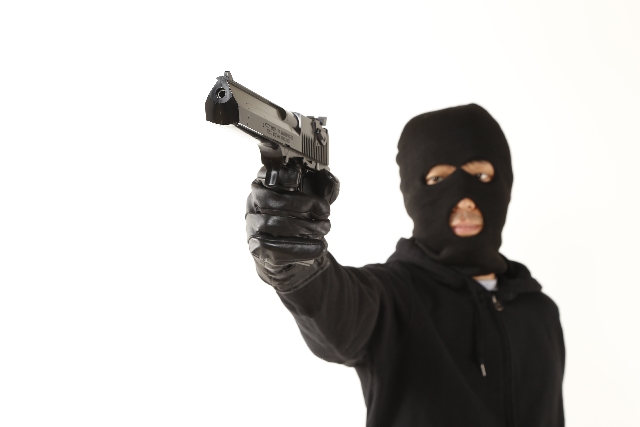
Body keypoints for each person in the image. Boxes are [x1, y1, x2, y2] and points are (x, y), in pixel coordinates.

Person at [245, 104, 565, 427]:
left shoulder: (540, 313)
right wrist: (293, 260)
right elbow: (334, 311)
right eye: (438, 179)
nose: (465, 199)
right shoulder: (393, 299)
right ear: (412, 191)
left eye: (480, 176)